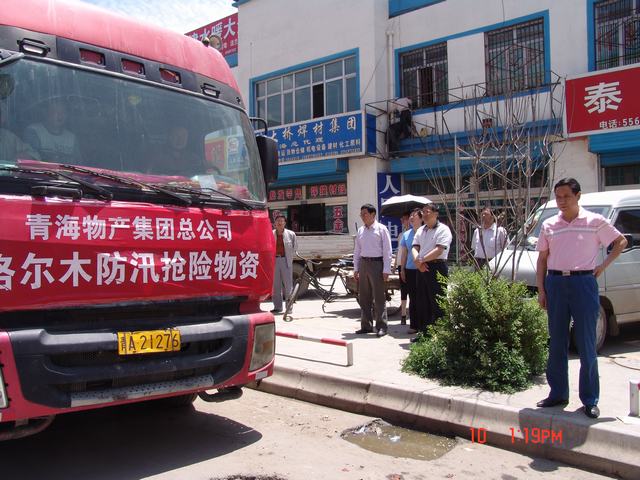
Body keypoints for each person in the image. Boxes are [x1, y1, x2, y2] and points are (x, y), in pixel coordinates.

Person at [535, 178, 627, 419]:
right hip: (556, 283)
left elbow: (620, 241)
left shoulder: (594, 221)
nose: (562, 201)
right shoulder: (549, 224)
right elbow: (542, 259)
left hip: (583, 283)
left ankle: (590, 399)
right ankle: (558, 393)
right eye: (558, 196)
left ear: (578, 196)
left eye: (566, 196)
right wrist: (542, 289)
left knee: (586, 342)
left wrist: (602, 266)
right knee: (557, 341)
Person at [411, 203, 452, 341]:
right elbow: (414, 247)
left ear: (436, 214)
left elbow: (439, 250)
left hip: (437, 266)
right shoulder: (421, 230)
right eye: (423, 212)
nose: (424, 214)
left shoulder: (443, 229)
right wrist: (418, 261)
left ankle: (441, 335)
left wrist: (421, 260)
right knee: (422, 301)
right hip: (422, 268)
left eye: (427, 211)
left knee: (438, 301)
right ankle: (424, 333)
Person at [353, 204, 393, 337]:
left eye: (365, 214)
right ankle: (366, 326)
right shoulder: (361, 231)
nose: (362, 216)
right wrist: (356, 268)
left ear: (373, 214)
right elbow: (357, 250)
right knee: (364, 297)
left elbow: (387, 251)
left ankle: (382, 326)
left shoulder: (381, 229)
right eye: (361, 214)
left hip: (377, 264)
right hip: (364, 264)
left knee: (379, 297)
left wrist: (386, 269)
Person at [24, 99, 80, 164]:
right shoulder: (34, 131)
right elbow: (31, 159)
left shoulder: (72, 137)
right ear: (46, 113)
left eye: (63, 112)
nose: (60, 115)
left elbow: (78, 163)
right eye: (55, 111)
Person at [397, 208, 423, 336]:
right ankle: (414, 325)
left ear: (421, 218)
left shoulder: (425, 232)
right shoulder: (406, 235)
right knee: (413, 298)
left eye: (414, 215)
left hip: (423, 269)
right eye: (410, 216)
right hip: (410, 270)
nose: (411, 218)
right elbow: (404, 254)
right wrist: (402, 269)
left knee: (423, 297)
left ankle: (424, 325)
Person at [271, 215, 298, 314]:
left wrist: (289, 257)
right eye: (278, 221)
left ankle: (289, 307)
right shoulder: (270, 234)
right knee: (275, 286)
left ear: (285, 223)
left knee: (288, 286)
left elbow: (295, 247)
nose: (280, 223)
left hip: (286, 261)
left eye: (282, 221)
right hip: (274, 261)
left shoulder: (291, 234)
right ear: (274, 223)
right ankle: (277, 307)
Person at [395, 211, 411, 325]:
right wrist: (395, 264)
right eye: (401, 219)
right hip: (401, 265)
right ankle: (403, 314)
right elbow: (398, 251)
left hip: (410, 265)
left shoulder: (415, 233)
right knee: (403, 290)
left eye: (404, 219)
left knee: (412, 291)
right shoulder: (401, 235)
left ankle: (413, 314)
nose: (402, 221)